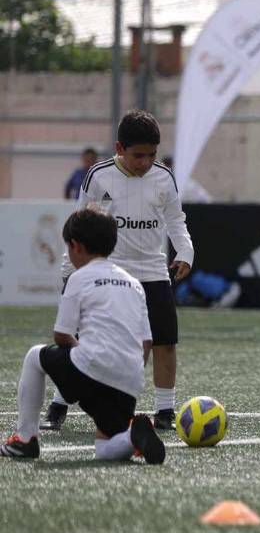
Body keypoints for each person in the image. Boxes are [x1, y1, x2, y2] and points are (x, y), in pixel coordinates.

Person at [43, 110, 193, 432]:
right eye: (138, 155)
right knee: (84, 339)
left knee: (164, 341)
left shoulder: (165, 177)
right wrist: (70, 274)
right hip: (109, 272)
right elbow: (78, 225)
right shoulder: (98, 175)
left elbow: (176, 220)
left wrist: (186, 251)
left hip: (154, 271)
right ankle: (58, 406)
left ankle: (165, 411)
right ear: (119, 147)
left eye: (152, 155)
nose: (146, 162)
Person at [2, 207, 165, 464]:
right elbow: (147, 342)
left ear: (76, 246)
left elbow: (62, 335)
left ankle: (25, 440)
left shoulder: (79, 278)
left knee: (34, 356)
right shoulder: (134, 284)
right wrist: (125, 371)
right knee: (105, 448)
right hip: (129, 381)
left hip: (91, 368)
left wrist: (87, 354)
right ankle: (132, 436)